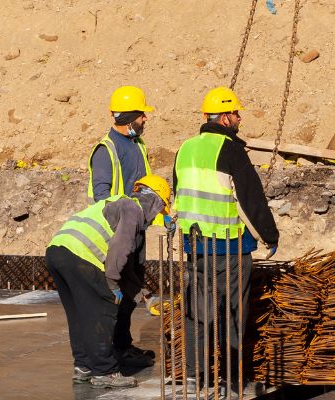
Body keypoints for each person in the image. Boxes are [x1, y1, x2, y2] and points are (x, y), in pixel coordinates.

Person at [173, 87, 280, 392]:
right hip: (229, 247)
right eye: (235, 113)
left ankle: (194, 377)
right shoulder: (231, 151)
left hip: (195, 246)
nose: (239, 118)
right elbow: (249, 200)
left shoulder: (186, 148)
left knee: (197, 313)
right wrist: (269, 236)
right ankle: (233, 378)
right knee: (233, 312)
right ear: (224, 117)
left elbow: (178, 193)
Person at [46, 175, 172, 389]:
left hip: (57, 252)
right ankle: (104, 371)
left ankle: (84, 366)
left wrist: (143, 294)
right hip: (81, 256)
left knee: (79, 314)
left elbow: (123, 263)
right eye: (159, 212)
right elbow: (120, 249)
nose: (155, 219)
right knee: (104, 308)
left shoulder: (116, 202)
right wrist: (112, 284)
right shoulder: (132, 210)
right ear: (156, 201)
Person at [87, 85, 157, 367]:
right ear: (130, 117)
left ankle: (123, 345)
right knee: (115, 294)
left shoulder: (138, 145)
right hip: (117, 234)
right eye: (142, 114)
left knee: (131, 290)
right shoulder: (106, 150)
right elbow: (101, 196)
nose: (145, 119)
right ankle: (110, 352)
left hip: (136, 230)